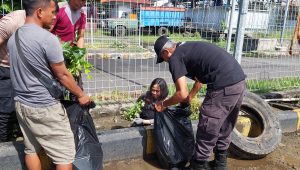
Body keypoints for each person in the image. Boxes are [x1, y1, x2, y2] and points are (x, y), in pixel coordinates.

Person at [7, 0, 91, 170]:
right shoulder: (48, 39)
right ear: (39, 12)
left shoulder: (13, 37)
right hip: (45, 107)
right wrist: (81, 95)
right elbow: (63, 75)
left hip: (21, 104)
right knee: (64, 155)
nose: (54, 17)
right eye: (52, 12)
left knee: (31, 149)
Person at [154, 36, 246, 170]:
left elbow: (181, 93)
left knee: (207, 127)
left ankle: (198, 166)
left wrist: (163, 104)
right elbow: (199, 82)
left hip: (223, 85)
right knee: (224, 125)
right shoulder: (187, 48)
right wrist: (190, 98)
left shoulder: (175, 57)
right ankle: (220, 164)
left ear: (166, 52)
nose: (166, 62)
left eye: (164, 59)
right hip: (238, 81)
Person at [0, 10, 26, 142]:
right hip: (6, 68)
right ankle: (3, 147)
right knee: (6, 112)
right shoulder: (13, 22)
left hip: (24, 70)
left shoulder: (47, 20)